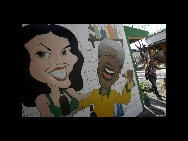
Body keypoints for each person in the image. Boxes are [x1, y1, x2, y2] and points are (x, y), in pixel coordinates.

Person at [22, 24, 89, 117]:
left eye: (65, 52)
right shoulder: (42, 99)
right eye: (42, 54)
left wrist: (98, 94)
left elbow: (84, 97)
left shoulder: (69, 91)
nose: (60, 62)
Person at [78, 38, 135, 117]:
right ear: (98, 62)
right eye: (108, 56)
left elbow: (125, 100)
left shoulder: (113, 94)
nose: (111, 62)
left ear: (119, 71)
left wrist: (128, 82)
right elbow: (81, 104)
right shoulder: (94, 94)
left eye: (115, 59)